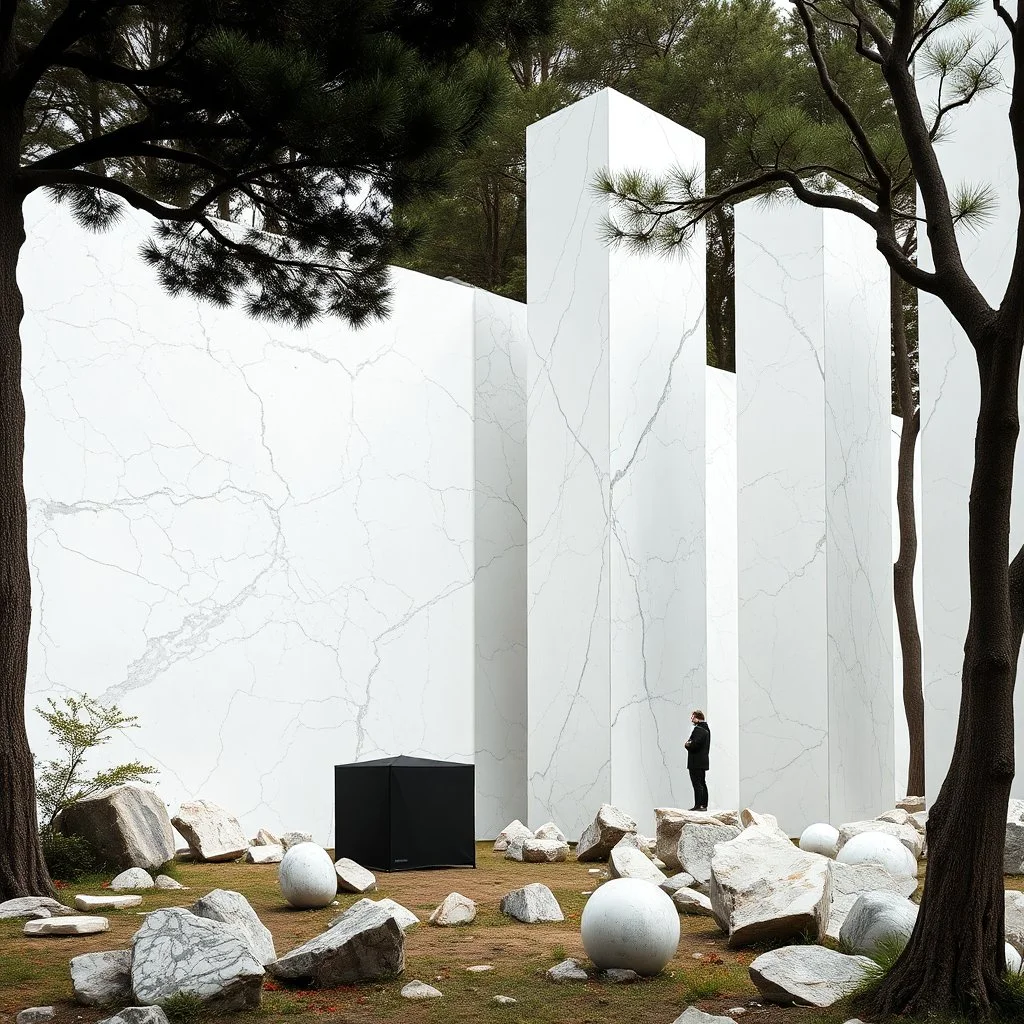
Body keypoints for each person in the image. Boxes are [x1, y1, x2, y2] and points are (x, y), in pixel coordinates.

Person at [684, 710, 711, 811]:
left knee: (697, 783)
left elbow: (693, 745)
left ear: (697, 717)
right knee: (702, 783)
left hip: (696, 762)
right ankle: (703, 805)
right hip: (702, 762)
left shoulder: (698, 729)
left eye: (692, 717)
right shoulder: (706, 729)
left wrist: (687, 744)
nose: (691, 719)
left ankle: (699, 805)